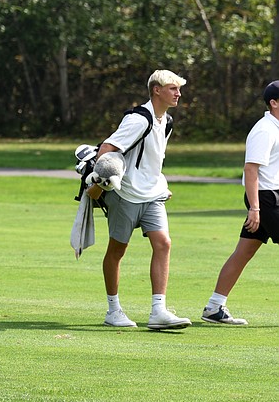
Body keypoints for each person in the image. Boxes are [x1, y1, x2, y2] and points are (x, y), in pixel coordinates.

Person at [85, 69, 191, 330]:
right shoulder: (138, 119)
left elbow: (154, 158)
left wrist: (160, 183)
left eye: (178, 88)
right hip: (126, 194)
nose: (178, 93)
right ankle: (113, 310)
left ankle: (158, 311)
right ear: (157, 90)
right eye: (172, 88)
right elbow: (107, 150)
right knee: (117, 250)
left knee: (163, 243)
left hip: (152, 194)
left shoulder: (166, 121)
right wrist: (99, 183)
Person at [199, 80, 279, 325]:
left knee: (244, 251)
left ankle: (214, 307)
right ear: (274, 103)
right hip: (265, 198)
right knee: (244, 251)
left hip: (268, 196)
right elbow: (251, 169)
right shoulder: (265, 129)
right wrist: (255, 208)